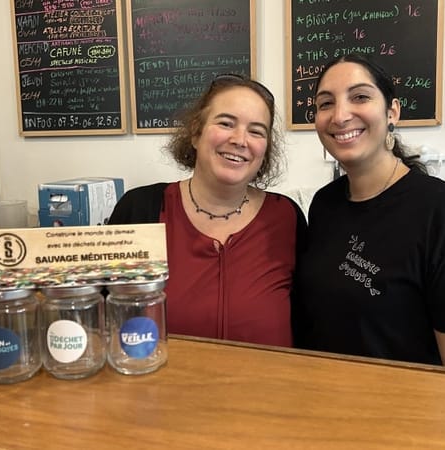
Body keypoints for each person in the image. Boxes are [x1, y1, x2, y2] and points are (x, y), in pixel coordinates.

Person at [293, 54, 445, 383]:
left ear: (392, 111)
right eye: (326, 103)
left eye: (360, 97)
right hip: (326, 410)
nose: (340, 115)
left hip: (407, 421)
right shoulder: (326, 204)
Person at [109, 74, 307, 347]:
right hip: (166, 387)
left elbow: (309, 321)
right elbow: (108, 318)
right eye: (226, 123)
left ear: (265, 149)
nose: (240, 140)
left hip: (269, 388)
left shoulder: (286, 217)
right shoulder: (140, 209)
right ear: (195, 132)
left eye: (256, 131)